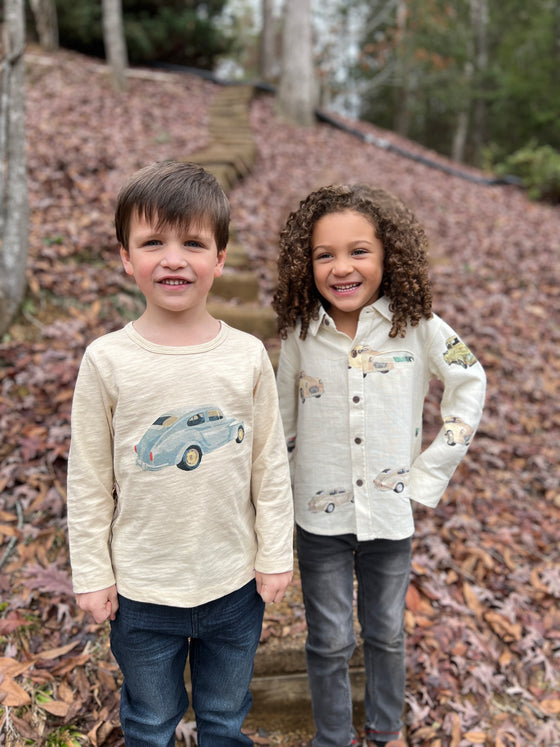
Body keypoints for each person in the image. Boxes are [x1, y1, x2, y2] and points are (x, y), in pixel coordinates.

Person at [67, 161, 294, 747]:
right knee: (149, 719)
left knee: (224, 715)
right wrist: (93, 571)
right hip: (142, 591)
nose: (173, 258)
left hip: (233, 584)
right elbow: (90, 477)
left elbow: (268, 463)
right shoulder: (107, 360)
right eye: (152, 243)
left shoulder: (245, 356)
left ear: (219, 258)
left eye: (192, 242)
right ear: (126, 257)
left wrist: (275, 552)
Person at [273, 184, 486, 747]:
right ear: (307, 263)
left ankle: (386, 729)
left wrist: (431, 469)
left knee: (387, 632)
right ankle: (333, 736)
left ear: (390, 255)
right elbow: (280, 422)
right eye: (325, 254)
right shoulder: (299, 335)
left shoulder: (418, 326)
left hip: (389, 518)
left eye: (358, 251)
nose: (342, 267)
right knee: (329, 637)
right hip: (318, 522)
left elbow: (471, 379)